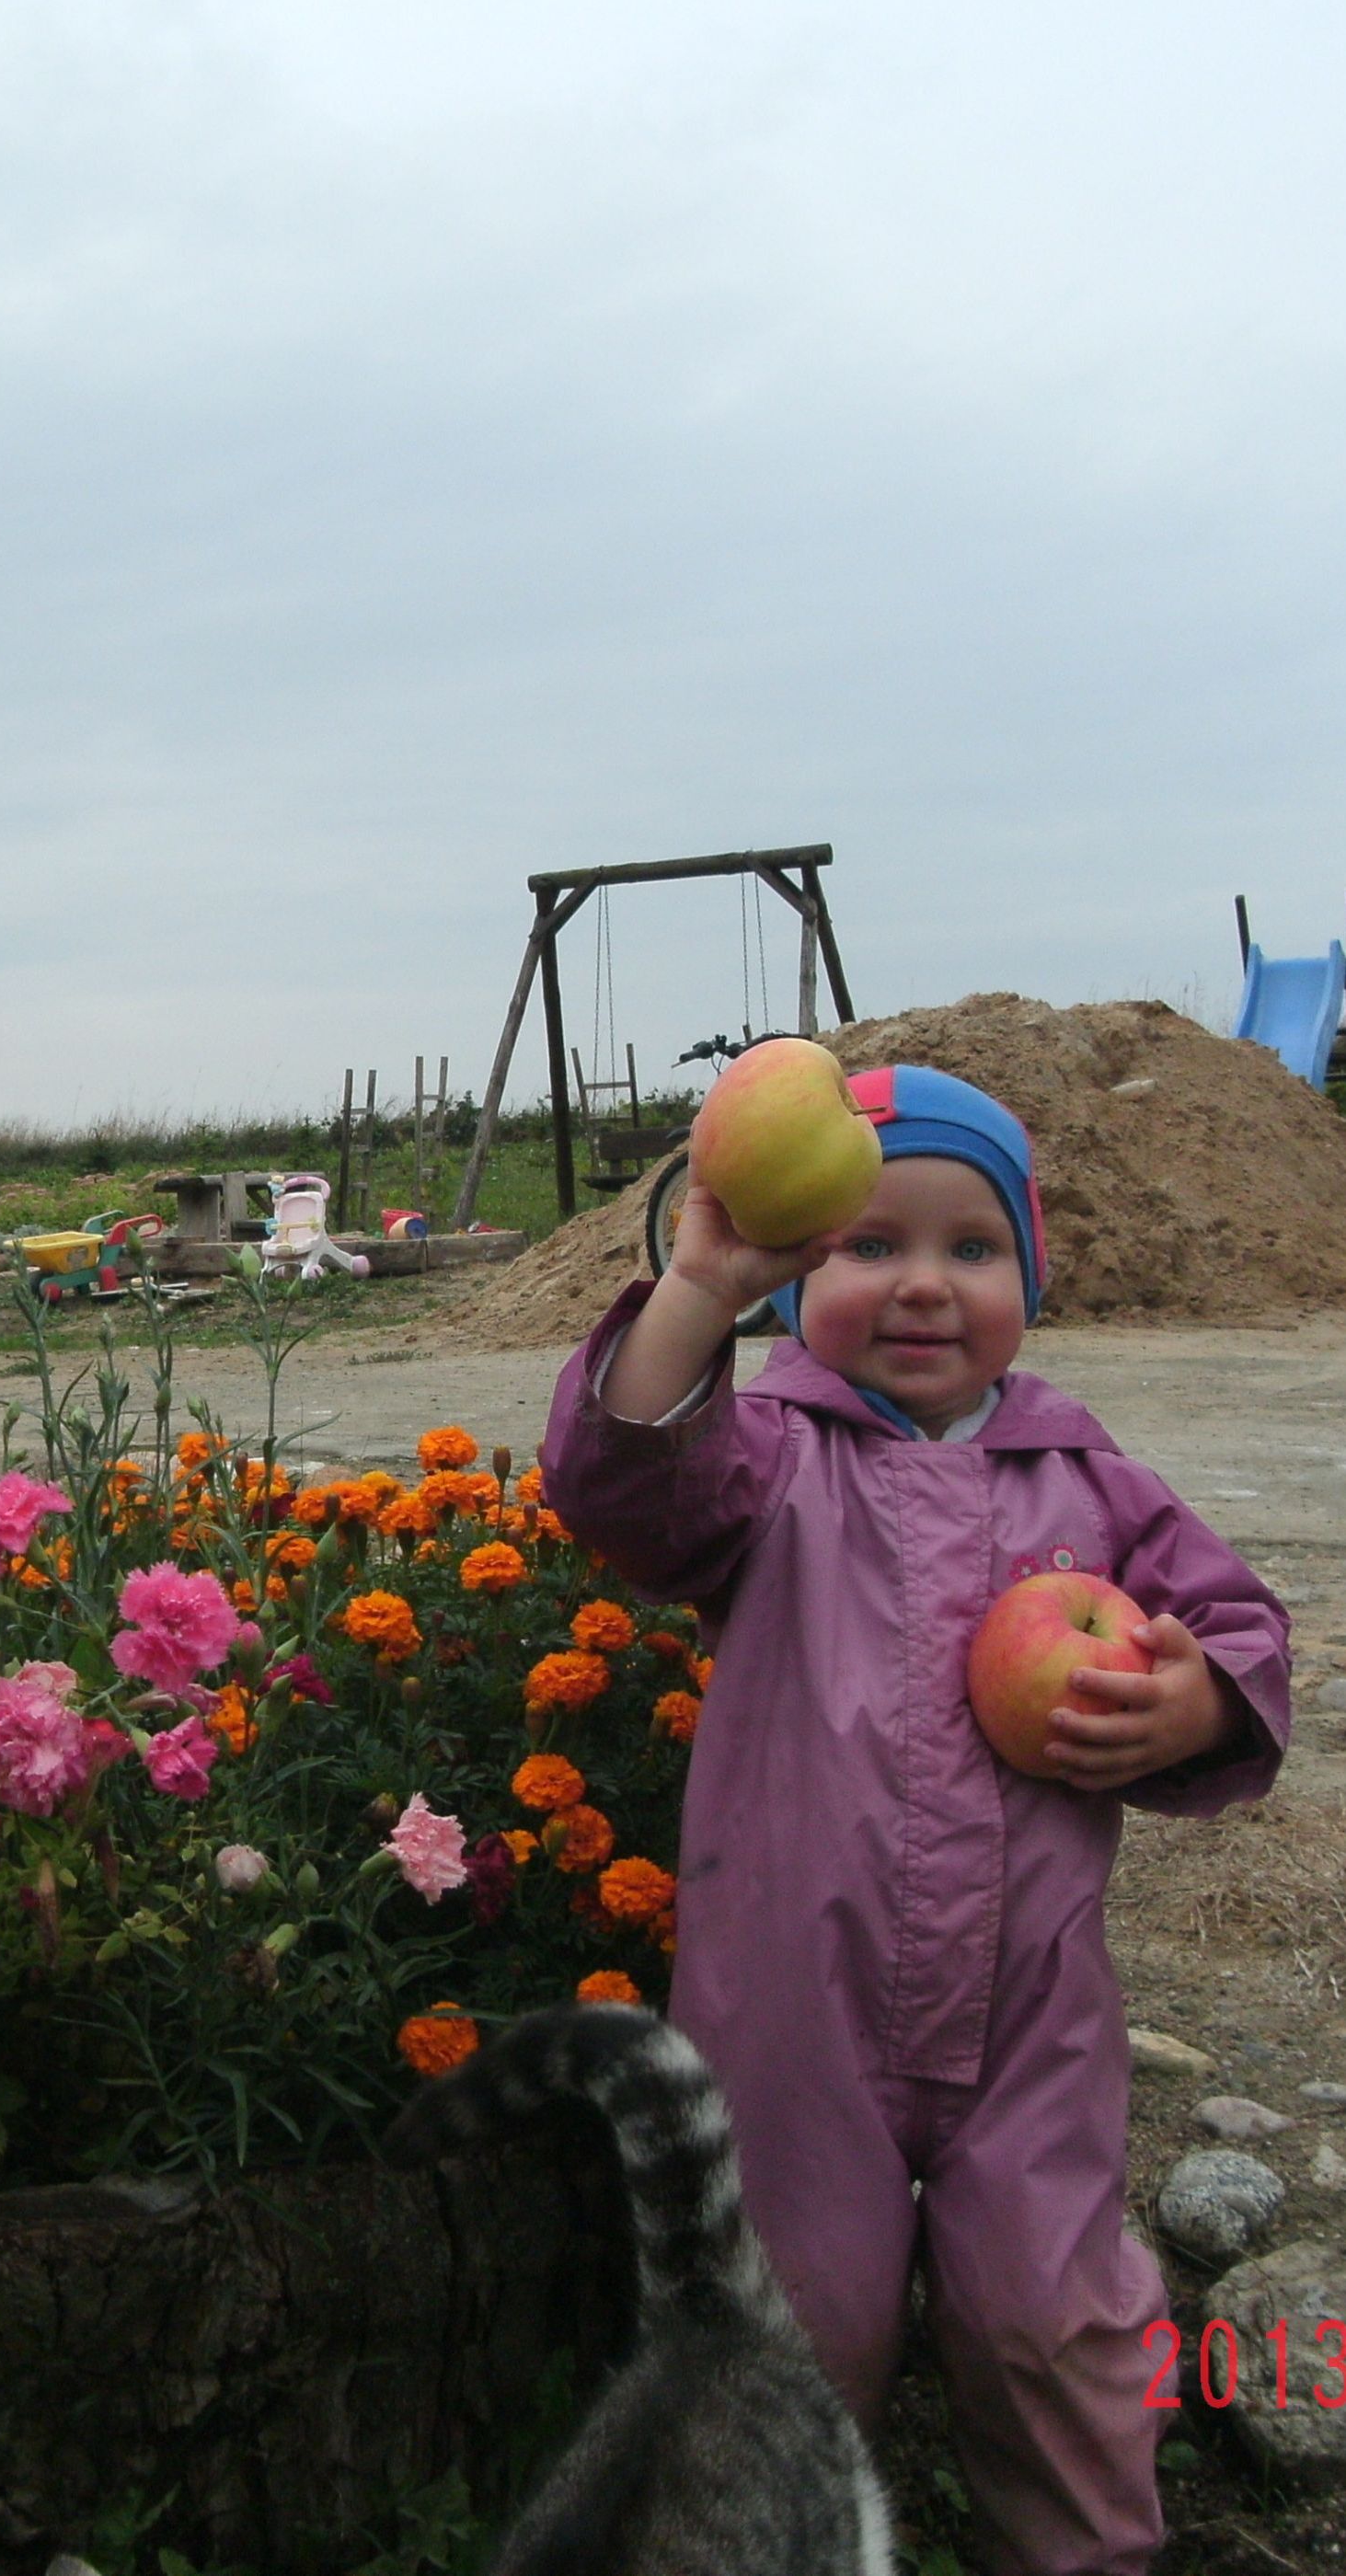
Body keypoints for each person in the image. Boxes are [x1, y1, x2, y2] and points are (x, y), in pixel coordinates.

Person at [540, 1064, 1289, 2576]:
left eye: (970, 1247)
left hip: (1033, 2007)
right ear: (797, 1267)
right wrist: (698, 1286)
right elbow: (619, 1476)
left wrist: (1194, 1699)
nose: (921, 1287)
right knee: (790, 2321)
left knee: (1054, 2313)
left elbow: (1235, 1624)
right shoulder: (767, 1461)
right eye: (866, 1245)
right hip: (788, 2000)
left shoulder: (1092, 1480)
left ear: (1033, 1270)